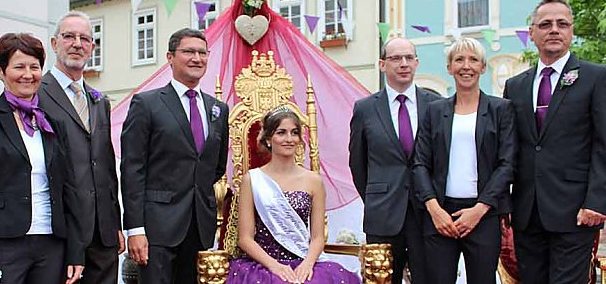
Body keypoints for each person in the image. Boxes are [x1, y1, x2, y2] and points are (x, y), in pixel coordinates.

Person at [504, 0, 606, 283]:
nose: (554, 30)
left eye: (562, 24)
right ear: (532, 33)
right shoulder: (516, 86)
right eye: (545, 24)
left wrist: (597, 202)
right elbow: (511, 149)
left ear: (572, 32)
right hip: (526, 214)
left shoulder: (598, 78)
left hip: (575, 212)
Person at [0, 33, 84, 284]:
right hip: (4, 244)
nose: (28, 74)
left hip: (52, 243)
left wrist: (76, 251)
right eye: (19, 66)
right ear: (0, 71)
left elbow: (69, 190)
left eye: (34, 67)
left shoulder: (52, 123)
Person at [121, 28, 229, 283]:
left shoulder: (218, 109)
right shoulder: (146, 104)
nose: (197, 58)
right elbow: (132, 169)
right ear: (170, 57)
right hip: (156, 229)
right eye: (189, 51)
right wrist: (135, 229)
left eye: (202, 52)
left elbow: (216, 166)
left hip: (199, 225)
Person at [411, 38, 516, 283]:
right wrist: (434, 209)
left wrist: (479, 210)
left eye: (473, 60)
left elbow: (507, 164)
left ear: (483, 67)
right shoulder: (434, 111)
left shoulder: (501, 109)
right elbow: (419, 164)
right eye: (459, 59)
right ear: (449, 67)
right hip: (440, 216)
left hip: (483, 214)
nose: (465, 66)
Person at [227, 107, 360, 284]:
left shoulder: (314, 181)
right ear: (268, 138)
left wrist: (307, 264)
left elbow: (318, 237)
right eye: (281, 133)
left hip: (305, 261)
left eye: (294, 133)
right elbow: (245, 239)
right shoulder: (252, 180)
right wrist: (275, 266)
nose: (289, 139)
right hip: (264, 265)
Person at [38, 11, 124, 284]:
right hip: (60, 227)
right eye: (69, 36)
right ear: (54, 43)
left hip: (102, 230)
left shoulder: (100, 101)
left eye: (84, 38)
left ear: (92, 47)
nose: (77, 43)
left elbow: (106, 164)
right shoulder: (36, 92)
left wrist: (116, 223)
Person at [348, 37, 440, 283]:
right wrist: (375, 196)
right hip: (383, 214)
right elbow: (357, 163)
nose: (403, 64)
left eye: (409, 58)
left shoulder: (435, 105)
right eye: (396, 58)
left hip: (427, 214)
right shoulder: (365, 108)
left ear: (417, 62)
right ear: (382, 64)